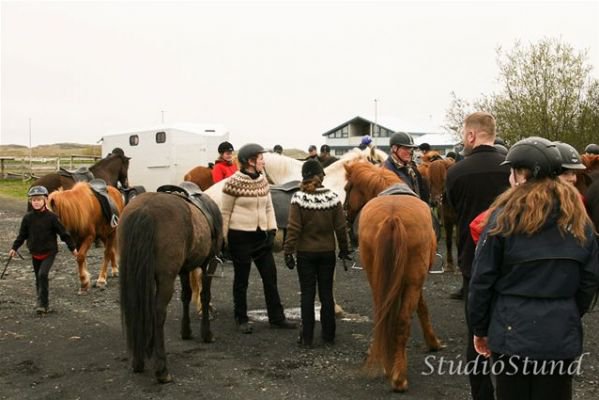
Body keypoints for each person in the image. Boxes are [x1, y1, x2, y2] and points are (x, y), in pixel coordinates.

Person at [469, 136, 599, 400]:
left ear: (521, 174)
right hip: (559, 334)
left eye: (511, 171)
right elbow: (589, 280)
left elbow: (481, 280)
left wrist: (479, 328)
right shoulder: (579, 220)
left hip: (511, 332)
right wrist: (568, 311)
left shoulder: (501, 218)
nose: (509, 178)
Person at [445, 111, 510, 400]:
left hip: (473, 262)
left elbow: (454, 211)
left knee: (477, 334)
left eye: (463, 134)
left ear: (471, 135)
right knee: (511, 333)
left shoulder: (455, 172)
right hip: (511, 263)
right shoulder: (511, 170)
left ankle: (482, 395)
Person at [221, 143, 296, 334]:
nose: (263, 161)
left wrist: (271, 230)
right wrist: (224, 239)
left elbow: (269, 207)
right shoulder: (232, 183)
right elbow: (225, 212)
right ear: (250, 161)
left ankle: (277, 318)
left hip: (261, 236)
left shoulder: (263, 181)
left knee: (270, 277)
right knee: (242, 280)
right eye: (260, 158)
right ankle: (241, 318)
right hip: (240, 237)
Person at [283, 159, 350, 347]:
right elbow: (341, 227)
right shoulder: (333, 197)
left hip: (305, 253)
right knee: (327, 294)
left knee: (307, 294)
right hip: (327, 252)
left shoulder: (298, 198)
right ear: (320, 176)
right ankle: (329, 335)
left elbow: (294, 228)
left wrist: (288, 251)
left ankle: (307, 337)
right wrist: (344, 250)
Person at [9, 186, 78, 314]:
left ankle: (44, 305)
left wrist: (72, 248)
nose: (36, 202)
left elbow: (63, 234)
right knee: (38, 277)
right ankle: (39, 301)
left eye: (39, 199)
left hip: (49, 252)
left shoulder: (52, 217)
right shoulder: (27, 218)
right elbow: (22, 235)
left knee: (42, 274)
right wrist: (14, 248)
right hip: (35, 252)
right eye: (34, 200)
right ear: (31, 201)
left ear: (45, 200)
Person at [383, 131, 430, 204]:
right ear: (394, 148)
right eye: (406, 148)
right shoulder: (385, 170)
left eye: (411, 149)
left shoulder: (413, 170)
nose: (410, 152)